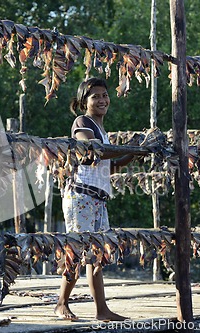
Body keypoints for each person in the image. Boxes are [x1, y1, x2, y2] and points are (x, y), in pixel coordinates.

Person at [55, 77, 135, 322]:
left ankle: (102, 310)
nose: (102, 100)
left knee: (97, 255)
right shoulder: (83, 123)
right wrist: (124, 149)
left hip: (98, 199)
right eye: (95, 96)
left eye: (104, 95)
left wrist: (133, 152)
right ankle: (61, 303)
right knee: (78, 252)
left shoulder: (103, 131)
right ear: (83, 102)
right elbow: (90, 149)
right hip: (81, 196)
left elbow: (108, 167)